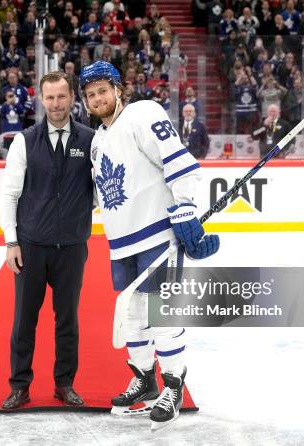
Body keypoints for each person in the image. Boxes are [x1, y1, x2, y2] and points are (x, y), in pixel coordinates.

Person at [79, 61, 219, 431]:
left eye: (102, 91)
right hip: (121, 243)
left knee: (162, 311)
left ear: (117, 90)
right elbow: (100, 197)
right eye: (91, 95)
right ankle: (145, 377)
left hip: (156, 233)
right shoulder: (97, 141)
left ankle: (173, 384)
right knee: (132, 313)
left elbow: (179, 163)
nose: (97, 98)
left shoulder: (143, 114)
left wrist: (186, 210)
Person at [0, 71, 95, 411]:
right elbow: (9, 194)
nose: (56, 104)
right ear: (41, 99)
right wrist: (12, 242)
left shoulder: (90, 139)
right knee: (24, 319)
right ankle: (19, 385)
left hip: (72, 246)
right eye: (50, 97)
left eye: (62, 96)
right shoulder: (24, 140)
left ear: (72, 98)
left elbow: (101, 192)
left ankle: (64, 384)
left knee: (67, 319)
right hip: (32, 246)